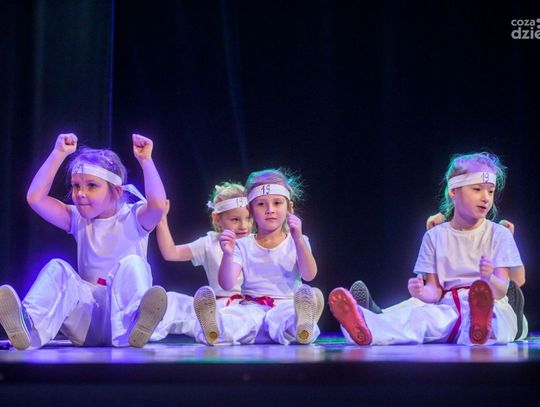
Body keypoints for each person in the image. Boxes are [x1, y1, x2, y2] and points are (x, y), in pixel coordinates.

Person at [329, 152, 522, 346]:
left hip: (491, 302)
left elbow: (501, 291)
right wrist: (421, 292)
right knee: (417, 319)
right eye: (477, 189)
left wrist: (488, 278)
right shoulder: (435, 236)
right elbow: (435, 290)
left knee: (498, 320)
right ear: (453, 191)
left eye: (491, 191)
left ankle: (479, 327)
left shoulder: (499, 234)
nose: (486, 198)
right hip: (449, 307)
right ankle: (365, 325)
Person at [0, 133, 168, 349]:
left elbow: (157, 206)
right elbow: (35, 198)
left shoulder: (134, 217)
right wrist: (58, 153)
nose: (80, 193)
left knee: (133, 264)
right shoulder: (77, 218)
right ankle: (28, 326)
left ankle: (138, 324)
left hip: (123, 321)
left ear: (116, 191)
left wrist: (146, 161)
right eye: (76, 185)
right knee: (58, 268)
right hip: (87, 323)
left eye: (91, 186)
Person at [196, 168, 322, 345]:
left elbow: (309, 275)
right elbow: (227, 284)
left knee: (287, 318)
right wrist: (228, 255)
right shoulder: (243, 244)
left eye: (277, 203)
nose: (270, 210)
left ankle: (302, 326)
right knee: (234, 318)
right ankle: (215, 328)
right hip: (251, 308)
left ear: (289, 208)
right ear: (251, 210)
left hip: (286, 303)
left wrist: (299, 239)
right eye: (261, 204)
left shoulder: (298, 241)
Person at [151, 182, 252, 341]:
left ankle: (217, 331)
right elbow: (171, 253)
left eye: (248, 218)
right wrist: (161, 219)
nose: (244, 226)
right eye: (235, 219)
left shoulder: (257, 243)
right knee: (172, 300)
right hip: (213, 308)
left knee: (239, 319)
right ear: (217, 219)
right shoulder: (209, 243)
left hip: (247, 308)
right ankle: (147, 328)